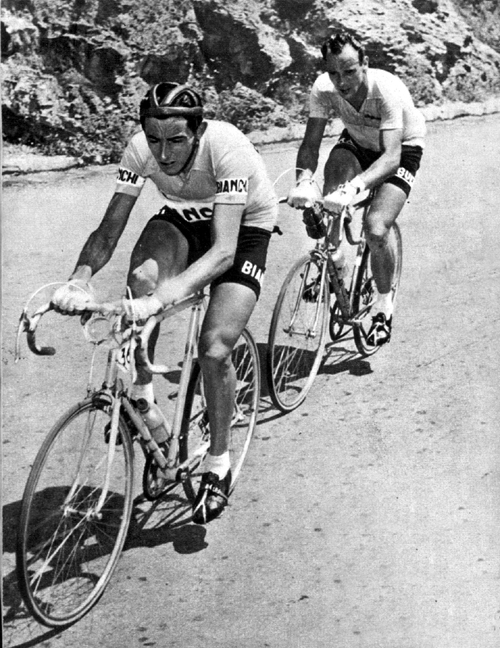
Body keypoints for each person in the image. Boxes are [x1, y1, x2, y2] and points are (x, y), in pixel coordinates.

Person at [51, 82, 278, 523]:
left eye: (176, 140)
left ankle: (217, 463)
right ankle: (141, 396)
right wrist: (78, 281)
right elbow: (108, 231)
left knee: (214, 349)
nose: (164, 151)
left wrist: (162, 301)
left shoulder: (226, 147)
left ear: (198, 130)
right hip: (182, 216)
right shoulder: (140, 151)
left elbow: (223, 251)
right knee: (140, 280)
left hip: (243, 228)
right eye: (154, 139)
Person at [288, 31, 426, 345]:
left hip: (400, 149)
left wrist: (353, 189)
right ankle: (335, 263)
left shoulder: (385, 88)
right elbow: (310, 145)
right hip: (357, 142)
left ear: (365, 63)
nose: (342, 80)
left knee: (376, 229)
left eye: (349, 71)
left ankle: (382, 308)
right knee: (327, 190)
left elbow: (391, 158)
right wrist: (304, 181)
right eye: (333, 72)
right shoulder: (323, 89)